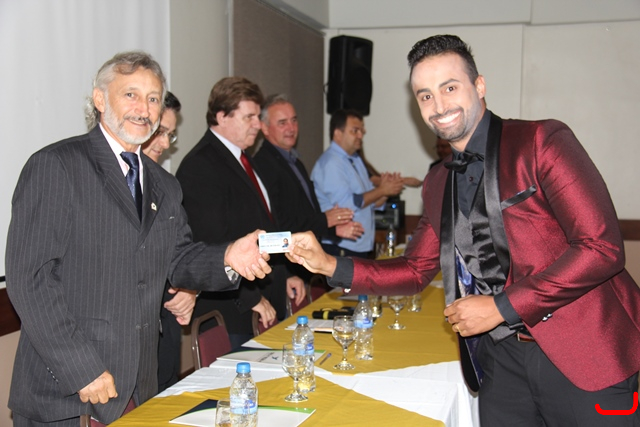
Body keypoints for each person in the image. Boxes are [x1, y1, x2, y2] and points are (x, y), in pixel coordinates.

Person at [288, 35, 640, 427]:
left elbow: (601, 247)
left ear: (480, 86)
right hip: (502, 361)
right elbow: (415, 270)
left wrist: (500, 307)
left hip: (586, 353)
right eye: (425, 96)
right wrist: (328, 264)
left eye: (450, 88)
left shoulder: (540, 141)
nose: (438, 106)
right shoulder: (438, 180)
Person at [5, 51, 271, 427]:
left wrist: (228, 256)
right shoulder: (57, 165)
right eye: (131, 94)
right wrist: (81, 368)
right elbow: (30, 278)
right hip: (66, 393)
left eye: (153, 98)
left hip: (137, 386)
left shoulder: (164, 184)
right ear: (100, 100)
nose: (143, 109)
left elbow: (179, 259)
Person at [176, 78, 305, 350]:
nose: (258, 124)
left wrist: (283, 276)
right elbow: (210, 244)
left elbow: (264, 227)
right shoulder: (200, 166)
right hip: (233, 313)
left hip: (262, 299)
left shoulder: (244, 159)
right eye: (249, 117)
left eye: (258, 116)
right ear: (222, 116)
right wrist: (251, 298)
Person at [139, 91, 197, 392]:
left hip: (164, 340)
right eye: (159, 132)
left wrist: (191, 289)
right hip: (114, 354)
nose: (164, 144)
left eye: (169, 135)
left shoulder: (167, 185)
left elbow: (183, 252)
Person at [253, 94, 363, 242]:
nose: (291, 128)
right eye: (282, 123)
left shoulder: (295, 162)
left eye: (294, 120)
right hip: (285, 254)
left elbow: (306, 214)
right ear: (265, 128)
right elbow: (277, 223)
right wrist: (324, 220)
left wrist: (332, 229)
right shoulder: (263, 165)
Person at [310, 109, 404, 258]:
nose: (360, 135)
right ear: (338, 134)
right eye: (355, 131)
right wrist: (381, 190)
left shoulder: (354, 160)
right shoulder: (331, 163)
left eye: (361, 131)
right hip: (340, 246)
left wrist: (388, 190)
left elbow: (370, 202)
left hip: (358, 246)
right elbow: (347, 205)